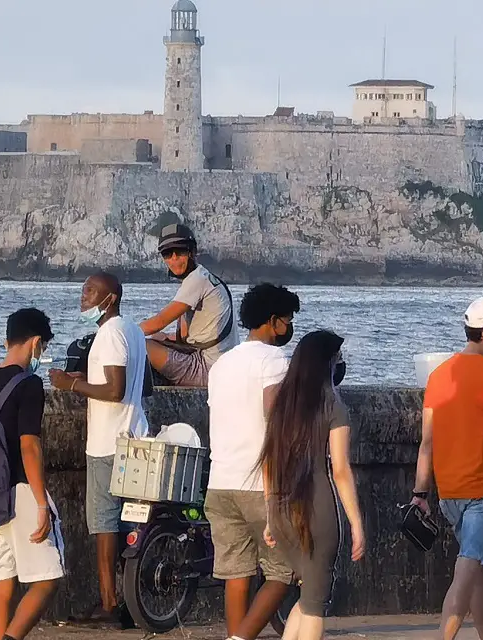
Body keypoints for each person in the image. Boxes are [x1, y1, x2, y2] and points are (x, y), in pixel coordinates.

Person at [411, 297, 483, 640]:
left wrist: (420, 491)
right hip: (482, 488)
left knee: (479, 570)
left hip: (449, 490)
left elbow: (426, 443)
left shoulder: (439, 374)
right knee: (466, 572)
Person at [48, 272, 149, 626]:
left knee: (105, 526)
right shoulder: (134, 331)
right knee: (128, 525)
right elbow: (138, 387)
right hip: (136, 436)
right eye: (84, 290)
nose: (84, 296)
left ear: (111, 298)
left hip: (109, 443)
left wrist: (69, 385)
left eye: (91, 291)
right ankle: (132, 602)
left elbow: (114, 390)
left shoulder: (108, 334)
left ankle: (109, 604)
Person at [204, 283, 301, 640]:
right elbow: (275, 421)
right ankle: (239, 638)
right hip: (260, 484)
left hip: (220, 482)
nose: (289, 329)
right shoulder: (274, 360)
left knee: (236, 574)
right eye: (287, 321)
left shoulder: (222, 363)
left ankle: (236, 634)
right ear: (273, 322)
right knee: (283, 572)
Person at [0, 309, 63, 640]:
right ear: (36, 343)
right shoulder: (30, 384)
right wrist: (40, 503)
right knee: (48, 577)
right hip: (19, 491)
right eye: (43, 348)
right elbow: (29, 447)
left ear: (7, 340)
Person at [260, 329, 366, 640]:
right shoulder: (333, 406)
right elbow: (341, 470)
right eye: (338, 359)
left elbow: (269, 462)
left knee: (307, 596)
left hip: (281, 509)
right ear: (328, 364)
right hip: (316, 509)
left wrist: (270, 513)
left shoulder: (281, 404)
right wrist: (356, 524)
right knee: (317, 604)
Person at [140, 223, 238, 387]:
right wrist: (165, 337)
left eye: (180, 251)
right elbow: (185, 336)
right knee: (157, 338)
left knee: (140, 344)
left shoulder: (196, 280)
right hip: (221, 363)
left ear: (192, 252)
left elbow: (159, 321)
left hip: (209, 369)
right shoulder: (203, 276)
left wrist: (120, 330)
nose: (174, 258)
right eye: (167, 254)